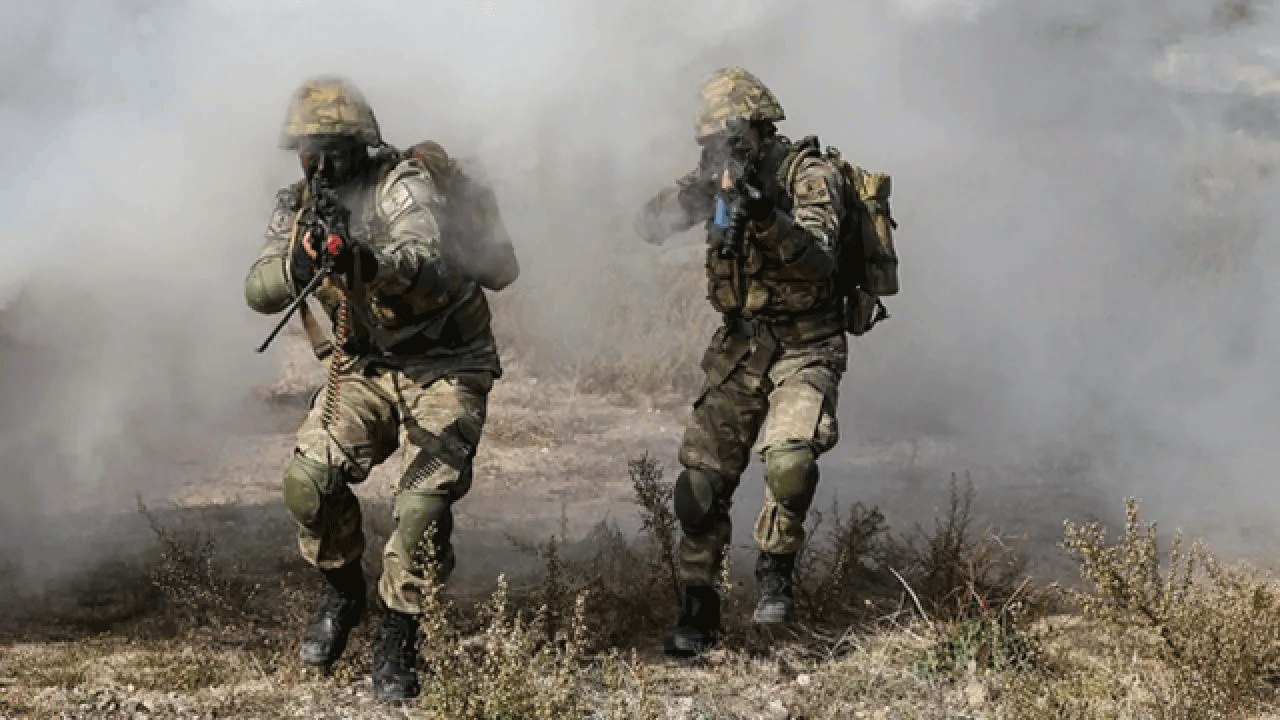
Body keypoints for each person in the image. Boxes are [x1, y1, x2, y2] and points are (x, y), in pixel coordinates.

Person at [244, 75, 518, 700]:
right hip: (366, 366)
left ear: (360, 147)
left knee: (422, 505)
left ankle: (399, 628)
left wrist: (364, 262)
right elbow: (257, 290)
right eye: (307, 153)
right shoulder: (296, 204)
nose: (319, 167)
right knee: (308, 483)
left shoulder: (402, 184)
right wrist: (298, 265)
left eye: (332, 152)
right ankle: (343, 591)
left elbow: (422, 256)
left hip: (446, 362)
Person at [635, 67, 850, 657]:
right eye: (709, 142)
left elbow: (821, 262)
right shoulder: (716, 175)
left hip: (806, 342)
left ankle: (776, 575)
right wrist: (698, 192)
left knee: (789, 463)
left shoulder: (808, 175)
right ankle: (698, 609)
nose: (720, 150)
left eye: (729, 139)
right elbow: (647, 225)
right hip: (740, 346)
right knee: (698, 486)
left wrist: (764, 216)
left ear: (760, 127)